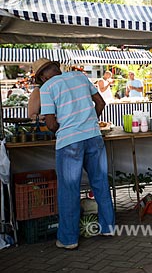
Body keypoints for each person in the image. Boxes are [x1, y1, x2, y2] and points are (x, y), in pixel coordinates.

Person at [33, 58, 114, 250]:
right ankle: (108, 227)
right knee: (100, 181)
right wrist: (88, 122)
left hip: (69, 142)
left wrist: (65, 128)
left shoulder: (46, 88)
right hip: (94, 136)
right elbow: (100, 103)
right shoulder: (80, 76)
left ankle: (69, 239)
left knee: (69, 190)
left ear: (43, 76)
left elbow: (51, 124)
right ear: (57, 68)